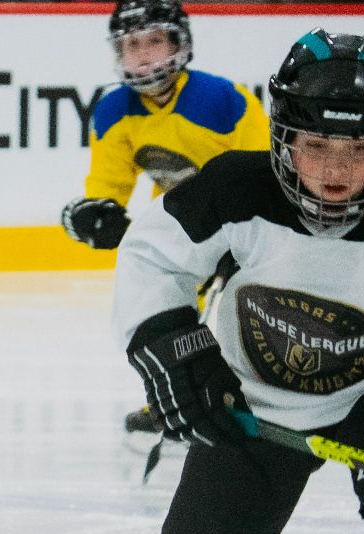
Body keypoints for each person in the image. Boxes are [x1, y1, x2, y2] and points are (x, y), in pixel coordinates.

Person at [0, 29, 364, 534]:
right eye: (316, 146)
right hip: (251, 406)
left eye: (358, 150)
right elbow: (154, 257)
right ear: (282, 136)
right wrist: (172, 344)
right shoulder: (236, 187)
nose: (334, 173)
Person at [58, 0, 268, 439]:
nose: (144, 55)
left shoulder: (222, 100)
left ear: (179, 43)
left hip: (247, 222)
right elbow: (107, 190)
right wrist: (95, 215)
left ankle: (265, 398)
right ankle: (181, 393)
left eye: (154, 40)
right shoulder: (113, 111)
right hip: (185, 225)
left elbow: (268, 173)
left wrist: (252, 239)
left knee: (249, 313)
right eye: (132, 45)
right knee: (157, 298)